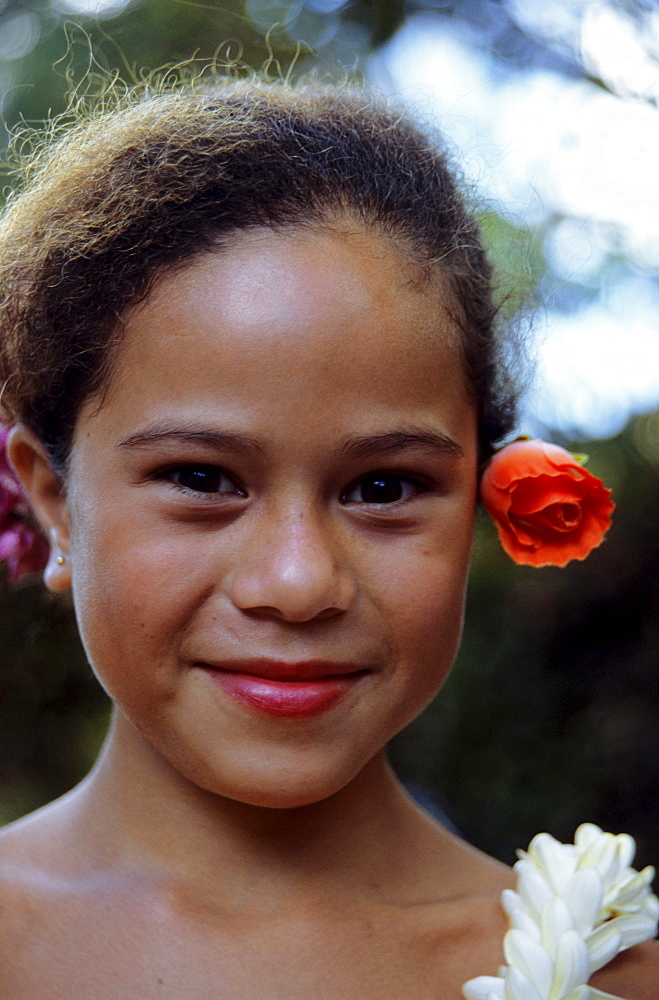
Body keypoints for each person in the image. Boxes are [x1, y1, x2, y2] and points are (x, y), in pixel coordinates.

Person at [0, 77, 655, 999]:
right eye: (201, 479)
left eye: (382, 488)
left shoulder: (596, 973)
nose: (298, 581)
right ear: (53, 502)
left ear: (481, 496)